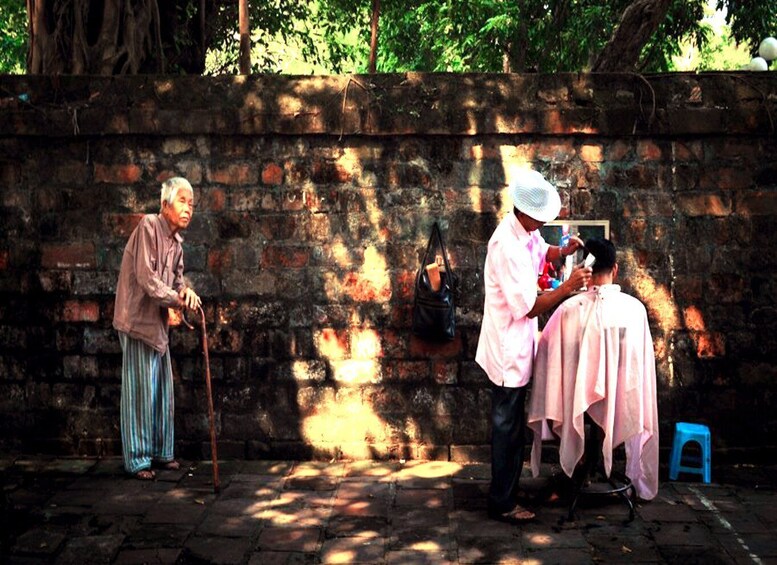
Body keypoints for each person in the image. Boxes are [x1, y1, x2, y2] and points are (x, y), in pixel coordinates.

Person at [476, 169, 593, 523]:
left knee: (512, 424)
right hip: (506, 350)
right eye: (539, 219)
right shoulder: (506, 245)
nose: (543, 224)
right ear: (523, 213)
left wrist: (562, 251)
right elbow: (528, 306)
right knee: (507, 427)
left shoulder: (526, 232)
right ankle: (502, 502)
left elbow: (542, 250)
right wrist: (568, 286)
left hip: (520, 343)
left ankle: (508, 488)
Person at [528, 237, 659, 500]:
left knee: (572, 396)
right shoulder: (634, 310)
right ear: (616, 269)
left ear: (586, 267)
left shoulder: (568, 309)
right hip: (620, 395)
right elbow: (637, 363)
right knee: (607, 398)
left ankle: (583, 463)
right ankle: (591, 458)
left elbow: (547, 350)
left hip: (575, 399)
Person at [113, 177, 201, 480]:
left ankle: (162, 453)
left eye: (191, 203)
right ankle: (137, 459)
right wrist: (178, 297)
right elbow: (148, 279)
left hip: (157, 326)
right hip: (137, 320)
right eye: (182, 201)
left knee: (162, 390)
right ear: (165, 205)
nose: (188, 208)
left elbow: (177, 282)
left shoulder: (176, 243)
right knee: (139, 392)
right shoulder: (149, 227)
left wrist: (186, 293)